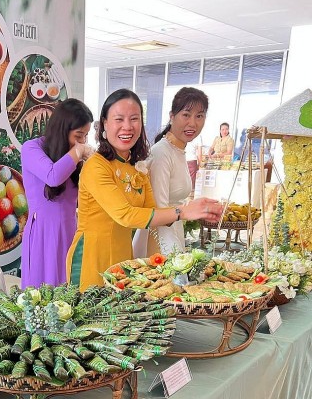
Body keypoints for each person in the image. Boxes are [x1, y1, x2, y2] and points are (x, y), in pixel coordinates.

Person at [66, 89, 222, 291]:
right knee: (93, 319)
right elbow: (126, 215)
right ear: (105, 123)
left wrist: (198, 211)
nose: (127, 127)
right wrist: (184, 211)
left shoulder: (135, 165)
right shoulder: (97, 166)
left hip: (123, 258)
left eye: (134, 119)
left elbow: (152, 211)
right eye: (119, 119)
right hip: (91, 257)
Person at [20, 98, 93, 287]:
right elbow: (53, 176)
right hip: (42, 232)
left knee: (69, 290)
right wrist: (78, 152)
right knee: (40, 296)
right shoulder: (31, 148)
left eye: (86, 136)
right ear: (62, 129)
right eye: (79, 135)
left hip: (70, 229)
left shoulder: (73, 155)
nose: (83, 141)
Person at [133, 87, 209, 257]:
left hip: (173, 229)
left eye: (199, 116)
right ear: (172, 116)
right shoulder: (162, 152)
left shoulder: (178, 149)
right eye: (186, 115)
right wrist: (174, 256)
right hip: (159, 237)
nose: (193, 123)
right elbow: (159, 209)